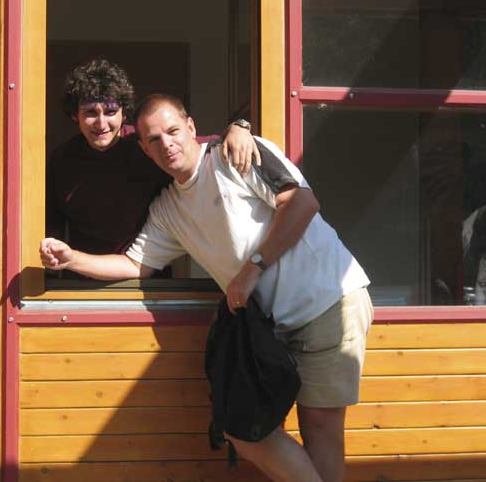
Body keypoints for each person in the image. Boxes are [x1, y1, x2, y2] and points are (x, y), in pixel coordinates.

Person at [40, 94, 373, 482]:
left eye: (173, 131)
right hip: (271, 328)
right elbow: (134, 264)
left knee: (320, 426)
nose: (167, 144)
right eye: (154, 139)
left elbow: (301, 203)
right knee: (245, 430)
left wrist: (252, 268)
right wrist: (71, 259)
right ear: (144, 149)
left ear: (191, 127)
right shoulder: (169, 209)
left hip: (328, 300)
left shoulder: (237, 154)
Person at [46, 59, 258, 262]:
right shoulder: (62, 160)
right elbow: (51, 226)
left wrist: (238, 128)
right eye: (90, 113)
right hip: (80, 276)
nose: (101, 123)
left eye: (110, 112)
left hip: (148, 276)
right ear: (74, 115)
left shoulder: (149, 143)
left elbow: (205, 146)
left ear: (123, 113)